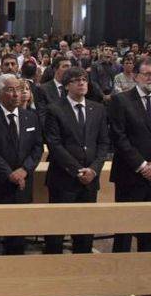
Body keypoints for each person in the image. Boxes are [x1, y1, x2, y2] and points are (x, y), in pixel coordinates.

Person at [109, 57, 151, 252]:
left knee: (150, 228)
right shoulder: (120, 101)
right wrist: (143, 165)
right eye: (147, 74)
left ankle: (146, 269)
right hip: (129, 174)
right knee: (124, 230)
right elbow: (119, 137)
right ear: (137, 76)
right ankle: (120, 270)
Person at [43, 67, 110, 255]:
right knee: (57, 229)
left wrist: (94, 170)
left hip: (90, 179)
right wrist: (78, 171)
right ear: (66, 86)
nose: (81, 83)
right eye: (76, 80)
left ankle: (82, 266)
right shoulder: (55, 109)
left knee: (85, 230)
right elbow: (54, 145)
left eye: (84, 79)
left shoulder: (97, 109)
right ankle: (54, 267)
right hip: (64, 179)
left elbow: (104, 143)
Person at [0, 74, 43, 256]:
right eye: (11, 89)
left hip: (22, 185)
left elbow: (37, 148)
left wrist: (24, 170)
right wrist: (9, 174)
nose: (16, 94)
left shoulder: (31, 117)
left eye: (19, 89)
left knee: (18, 236)